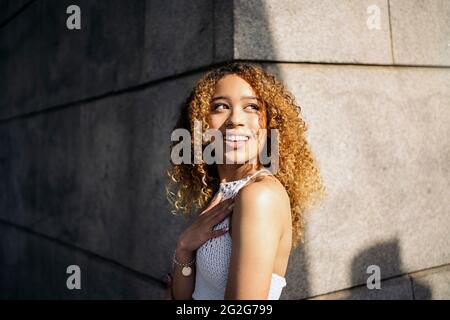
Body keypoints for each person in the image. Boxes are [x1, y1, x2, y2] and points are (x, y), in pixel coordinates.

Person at [165, 63, 324, 299]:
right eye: (220, 106)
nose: (235, 119)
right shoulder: (222, 193)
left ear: (270, 124)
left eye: (252, 106)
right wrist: (184, 247)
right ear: (201, 123)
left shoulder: (258, 196)